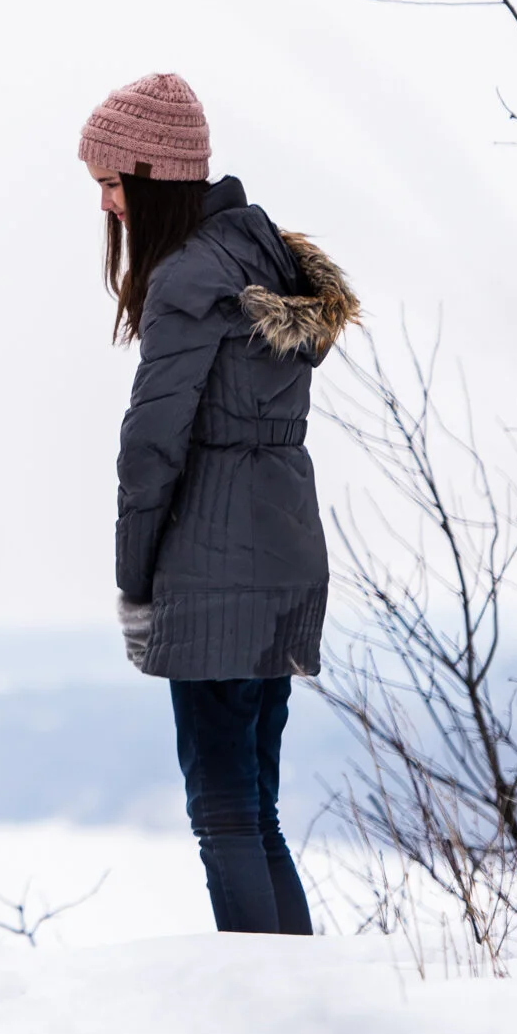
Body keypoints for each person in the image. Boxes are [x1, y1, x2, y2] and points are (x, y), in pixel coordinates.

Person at [78, 72, 358, 935]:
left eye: (111, 185)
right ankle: (297, 999)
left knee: (223, 813)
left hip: (210, 566)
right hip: (281, 553)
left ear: (152, 178)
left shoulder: (186, 279)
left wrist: (134, 582)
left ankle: (269, 1015)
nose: (108, 206)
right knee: (255, 809)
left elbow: (150, 445)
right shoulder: (259, 255)